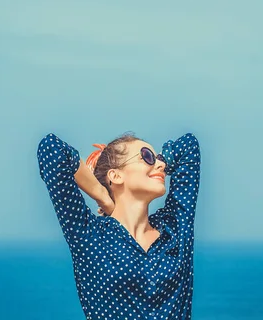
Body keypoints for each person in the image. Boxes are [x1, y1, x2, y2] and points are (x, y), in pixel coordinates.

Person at [36, 131, 201, 319]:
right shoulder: (90, 237)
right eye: (147, 156)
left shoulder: (174, 228)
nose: (161, 165)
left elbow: (189, 146)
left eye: (159, 159)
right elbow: (51, 149)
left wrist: (158, 162)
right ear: (115, 175)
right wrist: (101, 195)